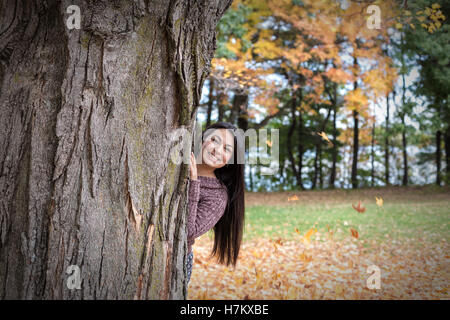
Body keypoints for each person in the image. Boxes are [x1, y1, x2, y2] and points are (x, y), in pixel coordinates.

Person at [186, 122, 245, 285]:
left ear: (229, 161)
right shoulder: (180, 161)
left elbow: (189, 232)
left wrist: (194, 181)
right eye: (214, 140)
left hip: (176, 258)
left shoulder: (218, 195)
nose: (217, 149)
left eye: (226, 149)